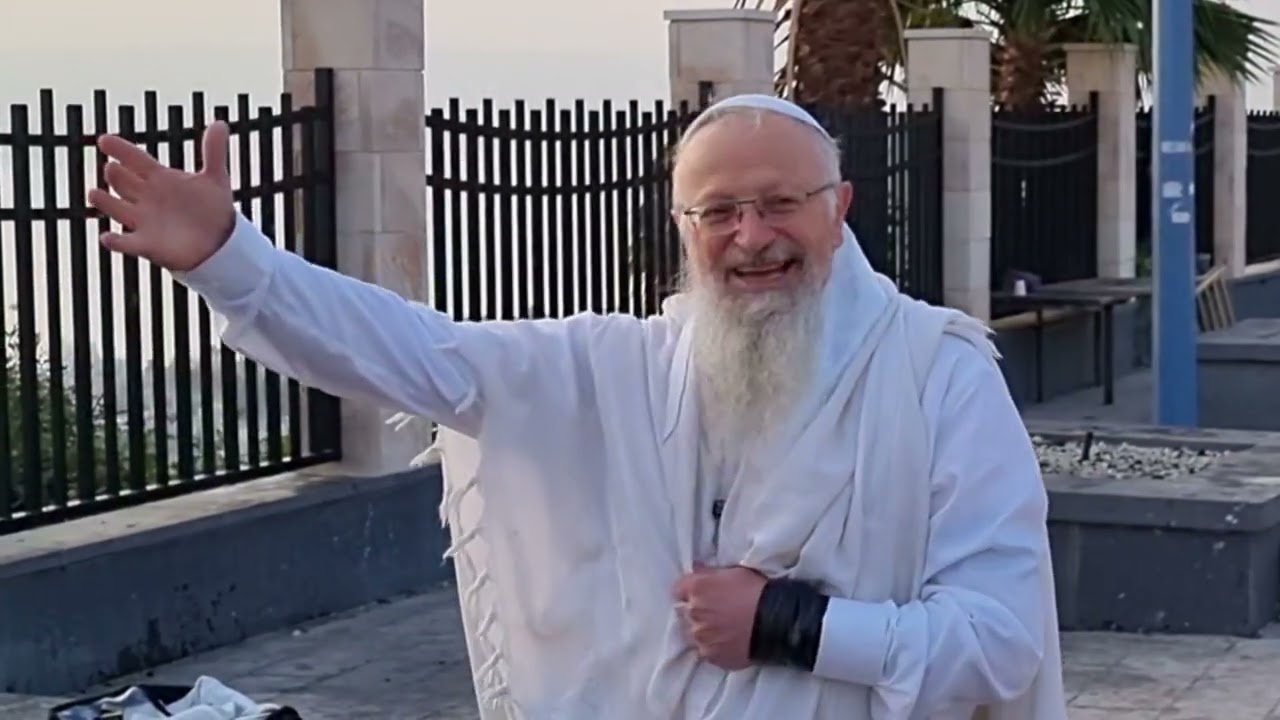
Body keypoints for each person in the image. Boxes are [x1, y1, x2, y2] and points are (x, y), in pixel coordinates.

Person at [88, 93, 1067, 720]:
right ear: (682, 226)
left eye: (779, 203)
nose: (750, 236)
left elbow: (998, 640)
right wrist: (232, 261)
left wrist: (791, 624)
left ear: (838, 205)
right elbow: (417, 353)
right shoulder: (617, 368)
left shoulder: (937, 374)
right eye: (718, 212)